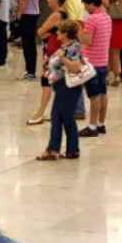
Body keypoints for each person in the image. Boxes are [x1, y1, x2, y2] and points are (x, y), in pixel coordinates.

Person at [37, 19, 85, 161]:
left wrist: (62, 58)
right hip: (61, 86)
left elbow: (75, 67)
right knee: (59, 117)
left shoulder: (73, 47)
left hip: (68, 87)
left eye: (59, 31)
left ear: (66, 34)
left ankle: (57, 149)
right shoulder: (66, 46)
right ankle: (67, 150)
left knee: (64, 117)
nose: (56, 33)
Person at [28, 0, 69, 126]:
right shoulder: (65, 13)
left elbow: (40, 31)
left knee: (46, 82)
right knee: (54, 83)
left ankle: (40, 113)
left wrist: (46, 33)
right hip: (57, 50)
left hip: (52, 52)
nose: (47, 0)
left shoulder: (56, 15)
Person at [78, 0, 112, 138]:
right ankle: (100, 124)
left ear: (92, 3)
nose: (85, 8)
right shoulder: (107, 17)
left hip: (92, 62)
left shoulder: (92, 19)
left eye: (86, 5)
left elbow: (87, 40)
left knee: (94, 95)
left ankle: (91, 126)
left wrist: (79, 30)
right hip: (103, 60)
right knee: (103, 93)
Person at [17, 0, 45, 79]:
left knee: (27, 43)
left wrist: (19, 12)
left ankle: (30, 71)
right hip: (35, 10)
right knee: (31, 42)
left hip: (27, 12)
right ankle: (31, 69)